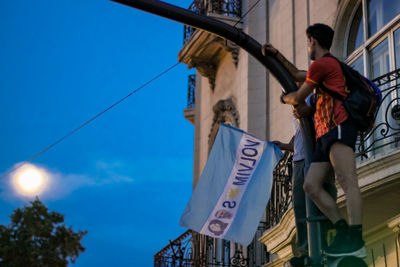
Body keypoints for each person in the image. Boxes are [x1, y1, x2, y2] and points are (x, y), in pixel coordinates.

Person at [262, 23, 366, 258]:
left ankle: (356, 236)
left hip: (339, 126)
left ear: (313, 42)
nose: (307, 45)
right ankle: (341, 228)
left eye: (308, 42)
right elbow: (297, 75)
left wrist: (286, 98)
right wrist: (277, 55)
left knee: (347, 181)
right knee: (311, 186)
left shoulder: (324, 64)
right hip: (324, 134)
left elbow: (299, 94)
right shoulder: (320, 67)